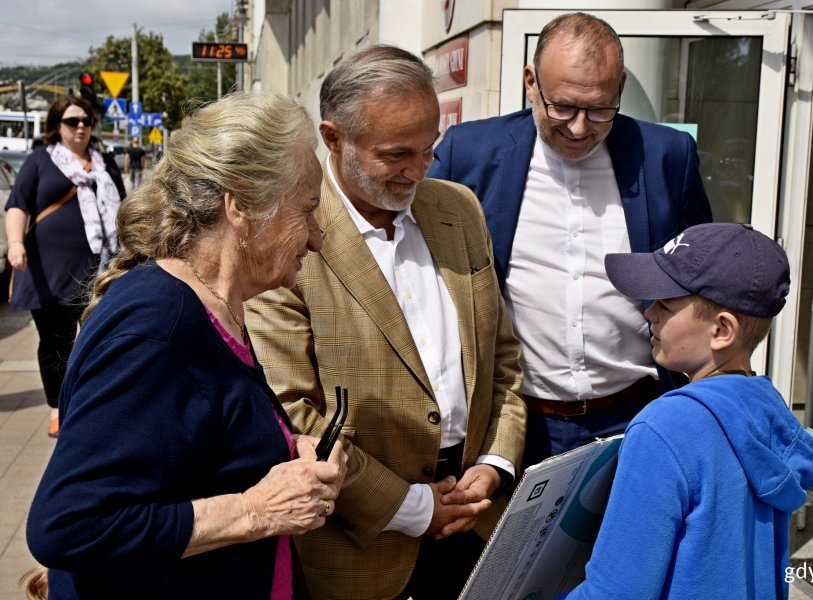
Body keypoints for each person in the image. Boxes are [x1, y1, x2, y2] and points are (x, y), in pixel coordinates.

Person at [26, 90, 346, 599]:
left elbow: (193, 444)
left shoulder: (215, 304)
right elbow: (70, 523)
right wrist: (256, 511)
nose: (316, 237)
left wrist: (289, 451)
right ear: (241, 205)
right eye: (306, 210)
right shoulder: (158, 327)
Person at [245, 45, 526, 600]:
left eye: (430, 148)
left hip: (475, 524)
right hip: (356, 551)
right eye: (397, 154)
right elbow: (291, 410)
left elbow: (504, 360)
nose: (420, 169)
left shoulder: (459, 209)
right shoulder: (286, 233)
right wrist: (410, 506)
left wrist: (494, 466)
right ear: (333, 138)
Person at [427, 12, 713, 468]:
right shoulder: (470, 153)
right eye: (562, 107)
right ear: (530, 82)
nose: (580, 128)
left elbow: (701, 279)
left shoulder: (666, 156)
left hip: (638, 413)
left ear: (619, 88)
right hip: (514, 421)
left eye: (599, 109)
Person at [557, 223, 813, 600]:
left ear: (722, 330)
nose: (649, 312)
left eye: (665, 304)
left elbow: (615, 592)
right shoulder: (765, 410)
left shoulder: (662, 429)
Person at [4, 96, 126, 438]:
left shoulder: (105, 163)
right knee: (56, 342)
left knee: (99, 339)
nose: (81, 127)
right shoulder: (41, 161)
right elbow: (17, 206)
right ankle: (59, 408)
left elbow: (124, 210)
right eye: (73, 121)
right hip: (50, 272)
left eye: (86, 120)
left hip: (100, 272)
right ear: (57, 126)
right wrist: (15, 244)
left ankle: (90, 402)